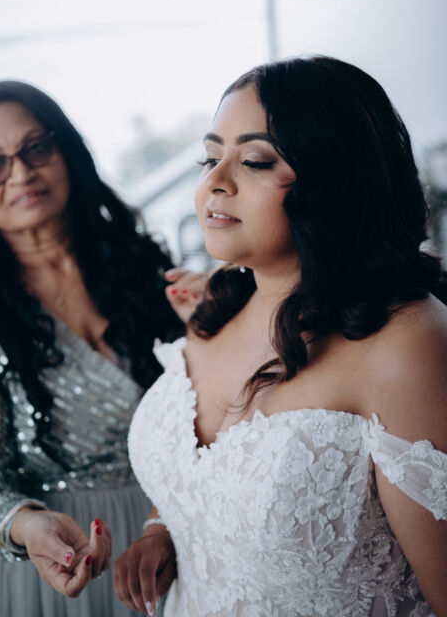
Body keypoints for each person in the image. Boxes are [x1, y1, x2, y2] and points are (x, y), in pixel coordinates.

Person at [115, 56, 447, 617]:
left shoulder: (407, 345)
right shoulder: (219, 305)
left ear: (335, 180)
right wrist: (163, 530)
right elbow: (205, 480)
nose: (215, 182)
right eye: (210, 157)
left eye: (253, 161)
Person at [0, 79, 203, 617]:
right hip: (52, 562)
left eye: (35, 148)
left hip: (174, 536)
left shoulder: (143, 269)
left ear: (66, 151)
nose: (21, 173)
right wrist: (28, 526)